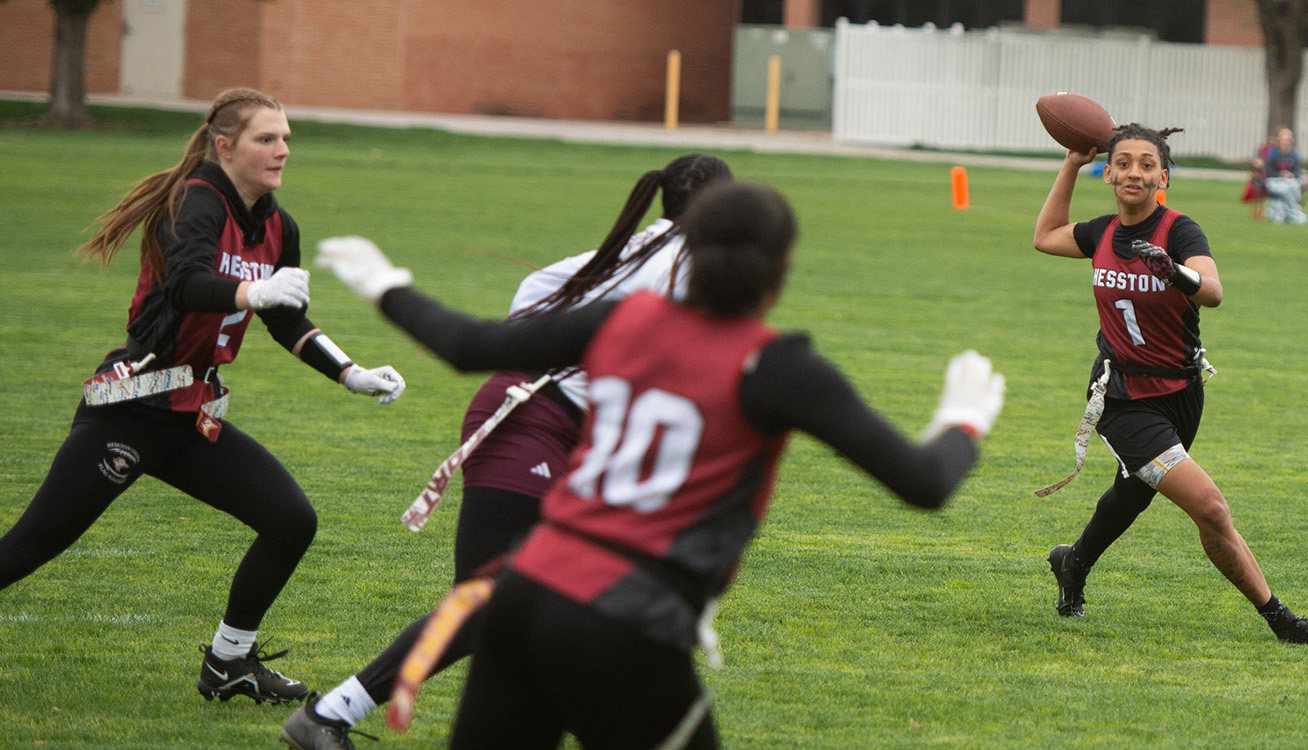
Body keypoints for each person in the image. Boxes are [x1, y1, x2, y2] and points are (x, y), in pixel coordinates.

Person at [314, 180, 1005, 749]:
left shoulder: (626, 318)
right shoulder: (776, 365)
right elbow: (923, 483)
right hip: (623, 615)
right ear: (782, 267)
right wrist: (963, 422)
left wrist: (386, 285)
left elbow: (467, 345)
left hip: (521, 592)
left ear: (687, 250)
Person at [279, 154, 733, 749]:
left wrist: (552, 346)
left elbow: (535, 288)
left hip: (553, 423)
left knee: (558, 601)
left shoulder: (646, 247)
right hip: (532, 424)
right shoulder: (683, 264)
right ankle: (328, 716)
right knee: (489, 601)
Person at [0, 88, 407, 705]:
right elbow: (188, 283)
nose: (282, 150)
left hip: (194, 416)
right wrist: (251, 294)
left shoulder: (277, 224)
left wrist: (351, 372)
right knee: (32, 544)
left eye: (287, 138)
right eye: (266, 139)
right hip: (135, 406)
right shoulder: (195, 200)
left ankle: (227, 665)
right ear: (225, 146)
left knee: (290, 520)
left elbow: (288, 320)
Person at [1031, 123, 1308, 646]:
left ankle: (1072, 563)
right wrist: (1069, 164)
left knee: (1132, 494)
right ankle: (1281, 620)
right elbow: (1045, 236)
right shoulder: (1101, 232)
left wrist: (1174, 272)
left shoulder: (1178, 231)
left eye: (1147, 164)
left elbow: (1213, 292)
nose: (1134, 171)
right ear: (1108, 172)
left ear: (1163, 177)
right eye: (1123, 162)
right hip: (1123, 399)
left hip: (1182, 393)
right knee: (1211, 508)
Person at [1252, 128, 1308, 226]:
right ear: (1279, 140)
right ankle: (1295, 211)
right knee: (1285, 188)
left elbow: (1297, 170)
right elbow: (1268, 171)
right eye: (1285, 139)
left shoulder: (1294, 154)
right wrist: (1280, 174)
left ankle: (1288, 213)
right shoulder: (1273, 153)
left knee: (1294, 186)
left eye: (1289, 139)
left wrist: (1292, 174)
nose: (1287, 141)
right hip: (1273, 180)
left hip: (1290, 180)